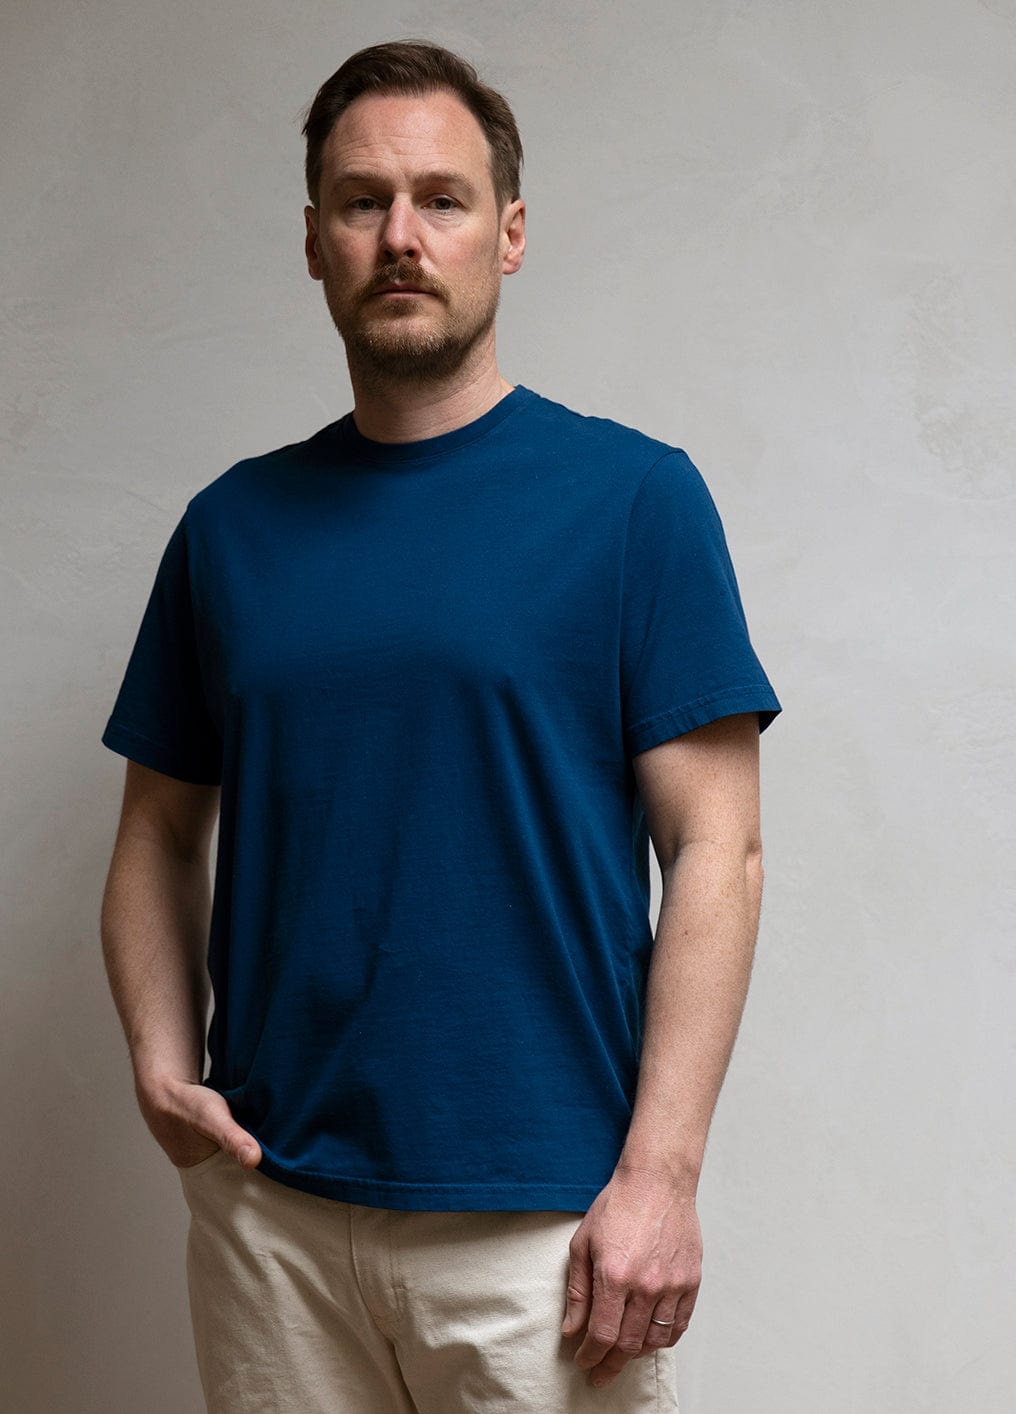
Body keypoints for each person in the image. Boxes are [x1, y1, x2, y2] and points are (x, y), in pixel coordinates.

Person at [99, 39, 780, 1414]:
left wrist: (662, 1173)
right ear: (312, 242)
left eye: (442, 197)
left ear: (510, 233)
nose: (400, 235)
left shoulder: (633, 502)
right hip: (273, 1214)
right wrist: (162, 1064)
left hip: (546, 1224)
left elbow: (720, 848)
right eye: (361, 202)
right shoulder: (230, 529)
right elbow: (160, 833)